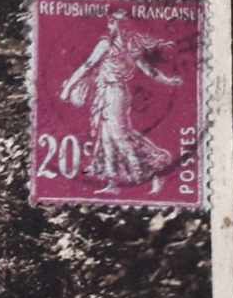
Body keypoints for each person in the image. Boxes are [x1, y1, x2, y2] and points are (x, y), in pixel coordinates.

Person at [59, 10, 183, 195]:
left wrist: (68, 88)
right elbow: (90, 66)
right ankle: (113, 183)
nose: (117, 26)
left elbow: (148, 70)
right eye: (116, 22)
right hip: (104, 93)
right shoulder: (117, 43)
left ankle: (156, 168)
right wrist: (69, 86)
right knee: (106, 136)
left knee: (119, 135)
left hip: (114, 93)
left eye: (120, 23)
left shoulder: (122, 44)